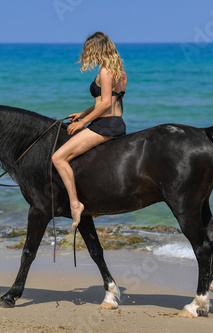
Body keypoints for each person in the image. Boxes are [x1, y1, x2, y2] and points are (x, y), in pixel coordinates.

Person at [52, 31, 127, 229]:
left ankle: (75, 205)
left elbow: (104, 107)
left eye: (90, 51)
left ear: (98, 49)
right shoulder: (119, 69)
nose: (88, 55)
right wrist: (82, 112)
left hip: (105, 125)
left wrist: (82, 122)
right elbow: (107, 101)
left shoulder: (105, 71)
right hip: (116, 122)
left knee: (58, 158)